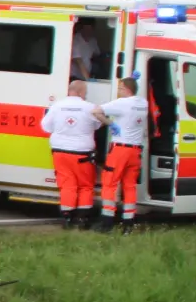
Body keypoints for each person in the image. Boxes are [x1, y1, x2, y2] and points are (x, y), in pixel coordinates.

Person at [91, 76, 149, 234]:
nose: (118, 91)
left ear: (126, 89)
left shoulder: (122, 103)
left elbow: (96, 111)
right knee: (129, 186)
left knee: (109, 183)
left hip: (120, 149)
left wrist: (111, 124)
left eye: (120, 88)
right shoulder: (143, 103)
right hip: (136, 150)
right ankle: (128, 224)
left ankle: (107, 222)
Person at [41, 80, 103, 228]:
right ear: (81, 92)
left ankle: (67, 217)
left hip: (60, 152)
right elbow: (98, 125)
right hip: (83, 153)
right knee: (85, 186)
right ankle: (82, 218)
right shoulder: (90, 107)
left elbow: (45, 127)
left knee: (67, 185)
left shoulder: (57, 106)